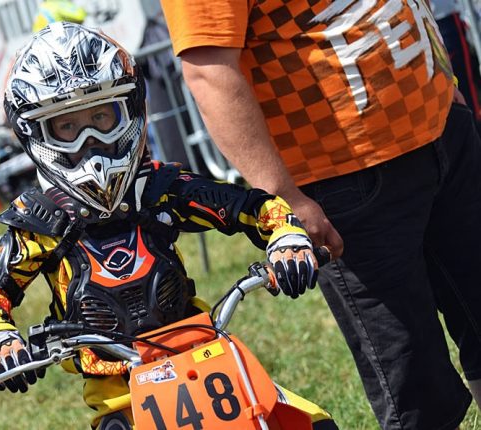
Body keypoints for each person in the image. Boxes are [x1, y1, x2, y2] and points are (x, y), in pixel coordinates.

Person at [0, 22, 337, 430]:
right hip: (117, 391)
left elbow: (249, 205)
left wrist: (286, 238)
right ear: (37, 133)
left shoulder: (161, 189)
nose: (89, 139)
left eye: (101, 116)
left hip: (203, 352)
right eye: (67, 127)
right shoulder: (40, 221)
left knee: (310, 422)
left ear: (130, 109)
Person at [159, 1, 481, 429]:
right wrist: (284, 197)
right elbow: (209, 70)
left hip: (443, 127)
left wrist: (441, 77)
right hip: (345, 179)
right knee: (417, 383)